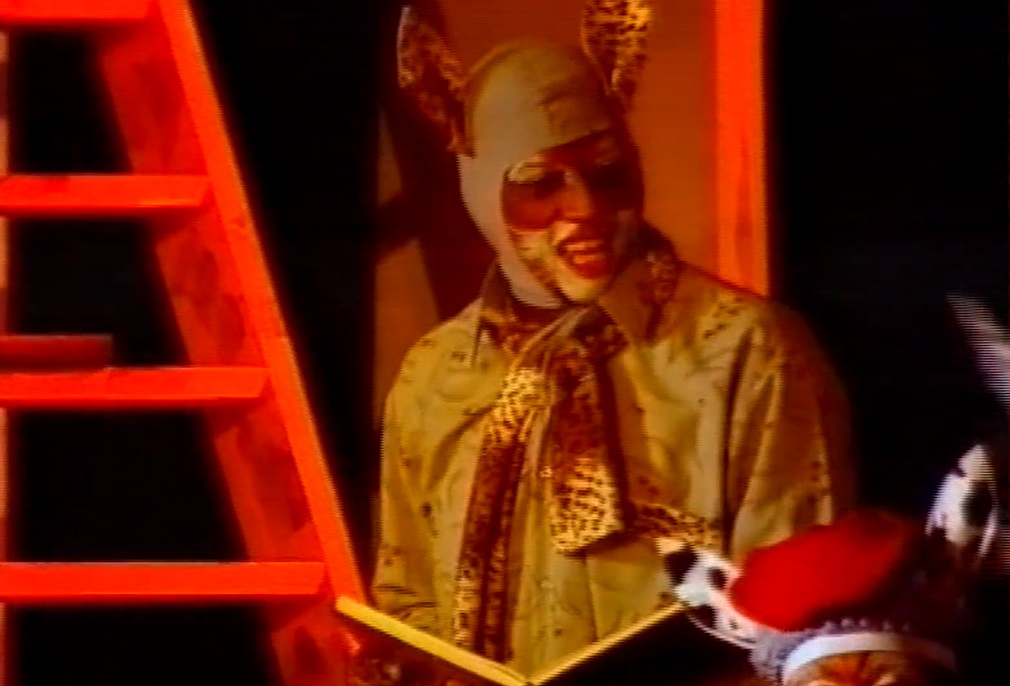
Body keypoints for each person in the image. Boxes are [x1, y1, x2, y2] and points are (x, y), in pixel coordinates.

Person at [371, 0, 856, 675]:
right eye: (540, 184)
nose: (586, 209)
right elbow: (408, 598)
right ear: (480, 190)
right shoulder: (434, 375)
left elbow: (807, 621)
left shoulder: (747, 354)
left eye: (608, 173)